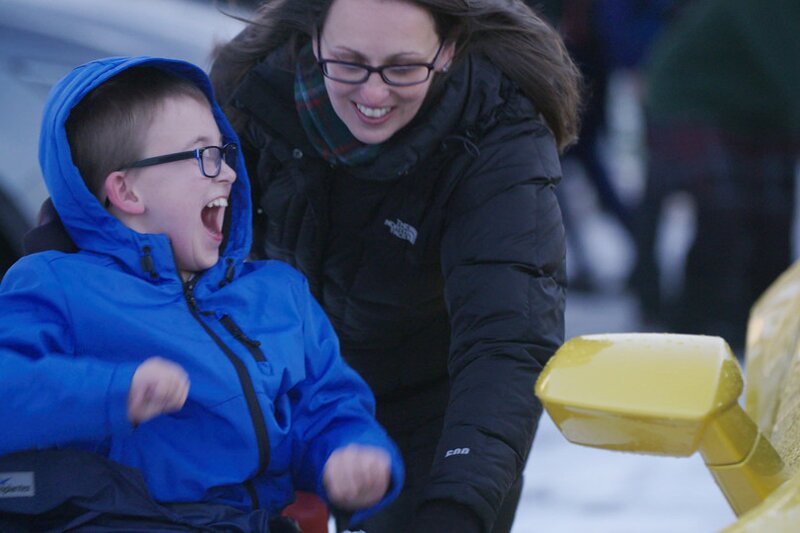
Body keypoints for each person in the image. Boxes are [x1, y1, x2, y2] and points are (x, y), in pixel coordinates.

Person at [210, 0, 582, 531]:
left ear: (448, 49)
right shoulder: (253, 92)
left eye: (403, 68)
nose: (373, 94)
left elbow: (507, 336)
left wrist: (458, 503)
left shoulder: (497, 128)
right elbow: (152, 237)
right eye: (349, 62)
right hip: (276, 392)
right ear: (313, 38)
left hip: (427, 407)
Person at [0, 55, 403, 532]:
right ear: (127, 192)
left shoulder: (278, 293)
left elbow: (327, 406)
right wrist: (112, 391)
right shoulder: (56, 284)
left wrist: (350, 453)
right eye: (203, 156)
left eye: (225, 153)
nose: (228, 173)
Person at [629, 0, 800, 354]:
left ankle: (765, 325)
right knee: (724, 216)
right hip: (692, 98)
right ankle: (694, 327)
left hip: (762, 110)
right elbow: (790, 65)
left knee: (773, 218)